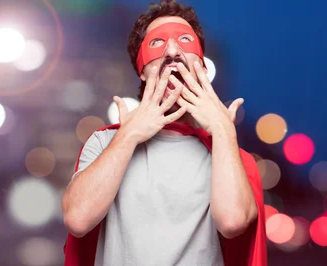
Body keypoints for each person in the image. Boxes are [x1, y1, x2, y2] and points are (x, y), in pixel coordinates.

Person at [61, 1, 267, 265]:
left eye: (184, 40)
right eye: (157, 43)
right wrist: (129, 134)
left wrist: (223, 130)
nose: (172, 51)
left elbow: (234, 221)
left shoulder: (228, 157)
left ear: (202, 66)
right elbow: (77, 219)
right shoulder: (104, 143)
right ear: (143, 72)